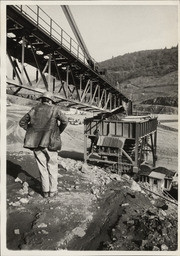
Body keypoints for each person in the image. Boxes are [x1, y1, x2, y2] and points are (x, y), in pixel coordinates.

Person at [19, 91, 68, 198]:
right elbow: (65, 121)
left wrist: (32, 132)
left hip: (36, 144)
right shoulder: (55, 109)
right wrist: (58, 132)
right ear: (51, 100)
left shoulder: (34, 109)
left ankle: (45, 192)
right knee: (52, 167)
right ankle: (53, 191)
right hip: (51, 143)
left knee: (42, 167)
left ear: (42, 99)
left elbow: (22, 122)